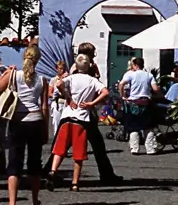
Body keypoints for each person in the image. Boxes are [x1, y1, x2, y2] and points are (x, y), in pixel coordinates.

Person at [0, 45, 47, 205]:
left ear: (24, 58)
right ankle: (35, 202)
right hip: (35, 122)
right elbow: (44, 107)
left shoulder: (14, 75)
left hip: (17, 121)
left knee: (14, 161)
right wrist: (45, 129)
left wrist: (6, 73)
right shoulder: (42, 79)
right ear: (38, 59)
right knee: (35, 163)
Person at [47, 54, 109, 191]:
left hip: (67, 115)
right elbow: (105, 92)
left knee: (60, 148)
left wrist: (68, 97)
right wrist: (92, 103)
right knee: (79, 152)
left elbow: (59, 84)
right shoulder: (92, 81)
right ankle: (75, 183)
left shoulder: (71, 78)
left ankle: (53, 171)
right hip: (82, 118)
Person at [71, 42, 122, 183]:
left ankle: (50, 170)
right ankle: (106, 174)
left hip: (80, 110)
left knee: (68, 142)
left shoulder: (76, 67)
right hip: (85, 111)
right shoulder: (85, 68)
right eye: (93, 52)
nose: (94, 54)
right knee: (97, 144)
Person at [120, 56, 160, 155]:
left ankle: (134, 148)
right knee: (148, 126)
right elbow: (156, 89)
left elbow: (121, 84)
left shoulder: (131, 75)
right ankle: (150, 149)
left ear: (135, 65)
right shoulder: (149, 75)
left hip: (133, 102)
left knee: (133, 126)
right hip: (146, 102)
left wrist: (123, 96)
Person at [49, 59, 69, 140]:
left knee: (65, 124)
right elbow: (49, 93)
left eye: (63, 68)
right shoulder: (53, 80)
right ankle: (56, 142)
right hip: (57, 103)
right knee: (56, 124)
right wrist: (55, 95)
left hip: (66, 103)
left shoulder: (68, 79)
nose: (62, 70)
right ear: (57, 69)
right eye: (60, 68)